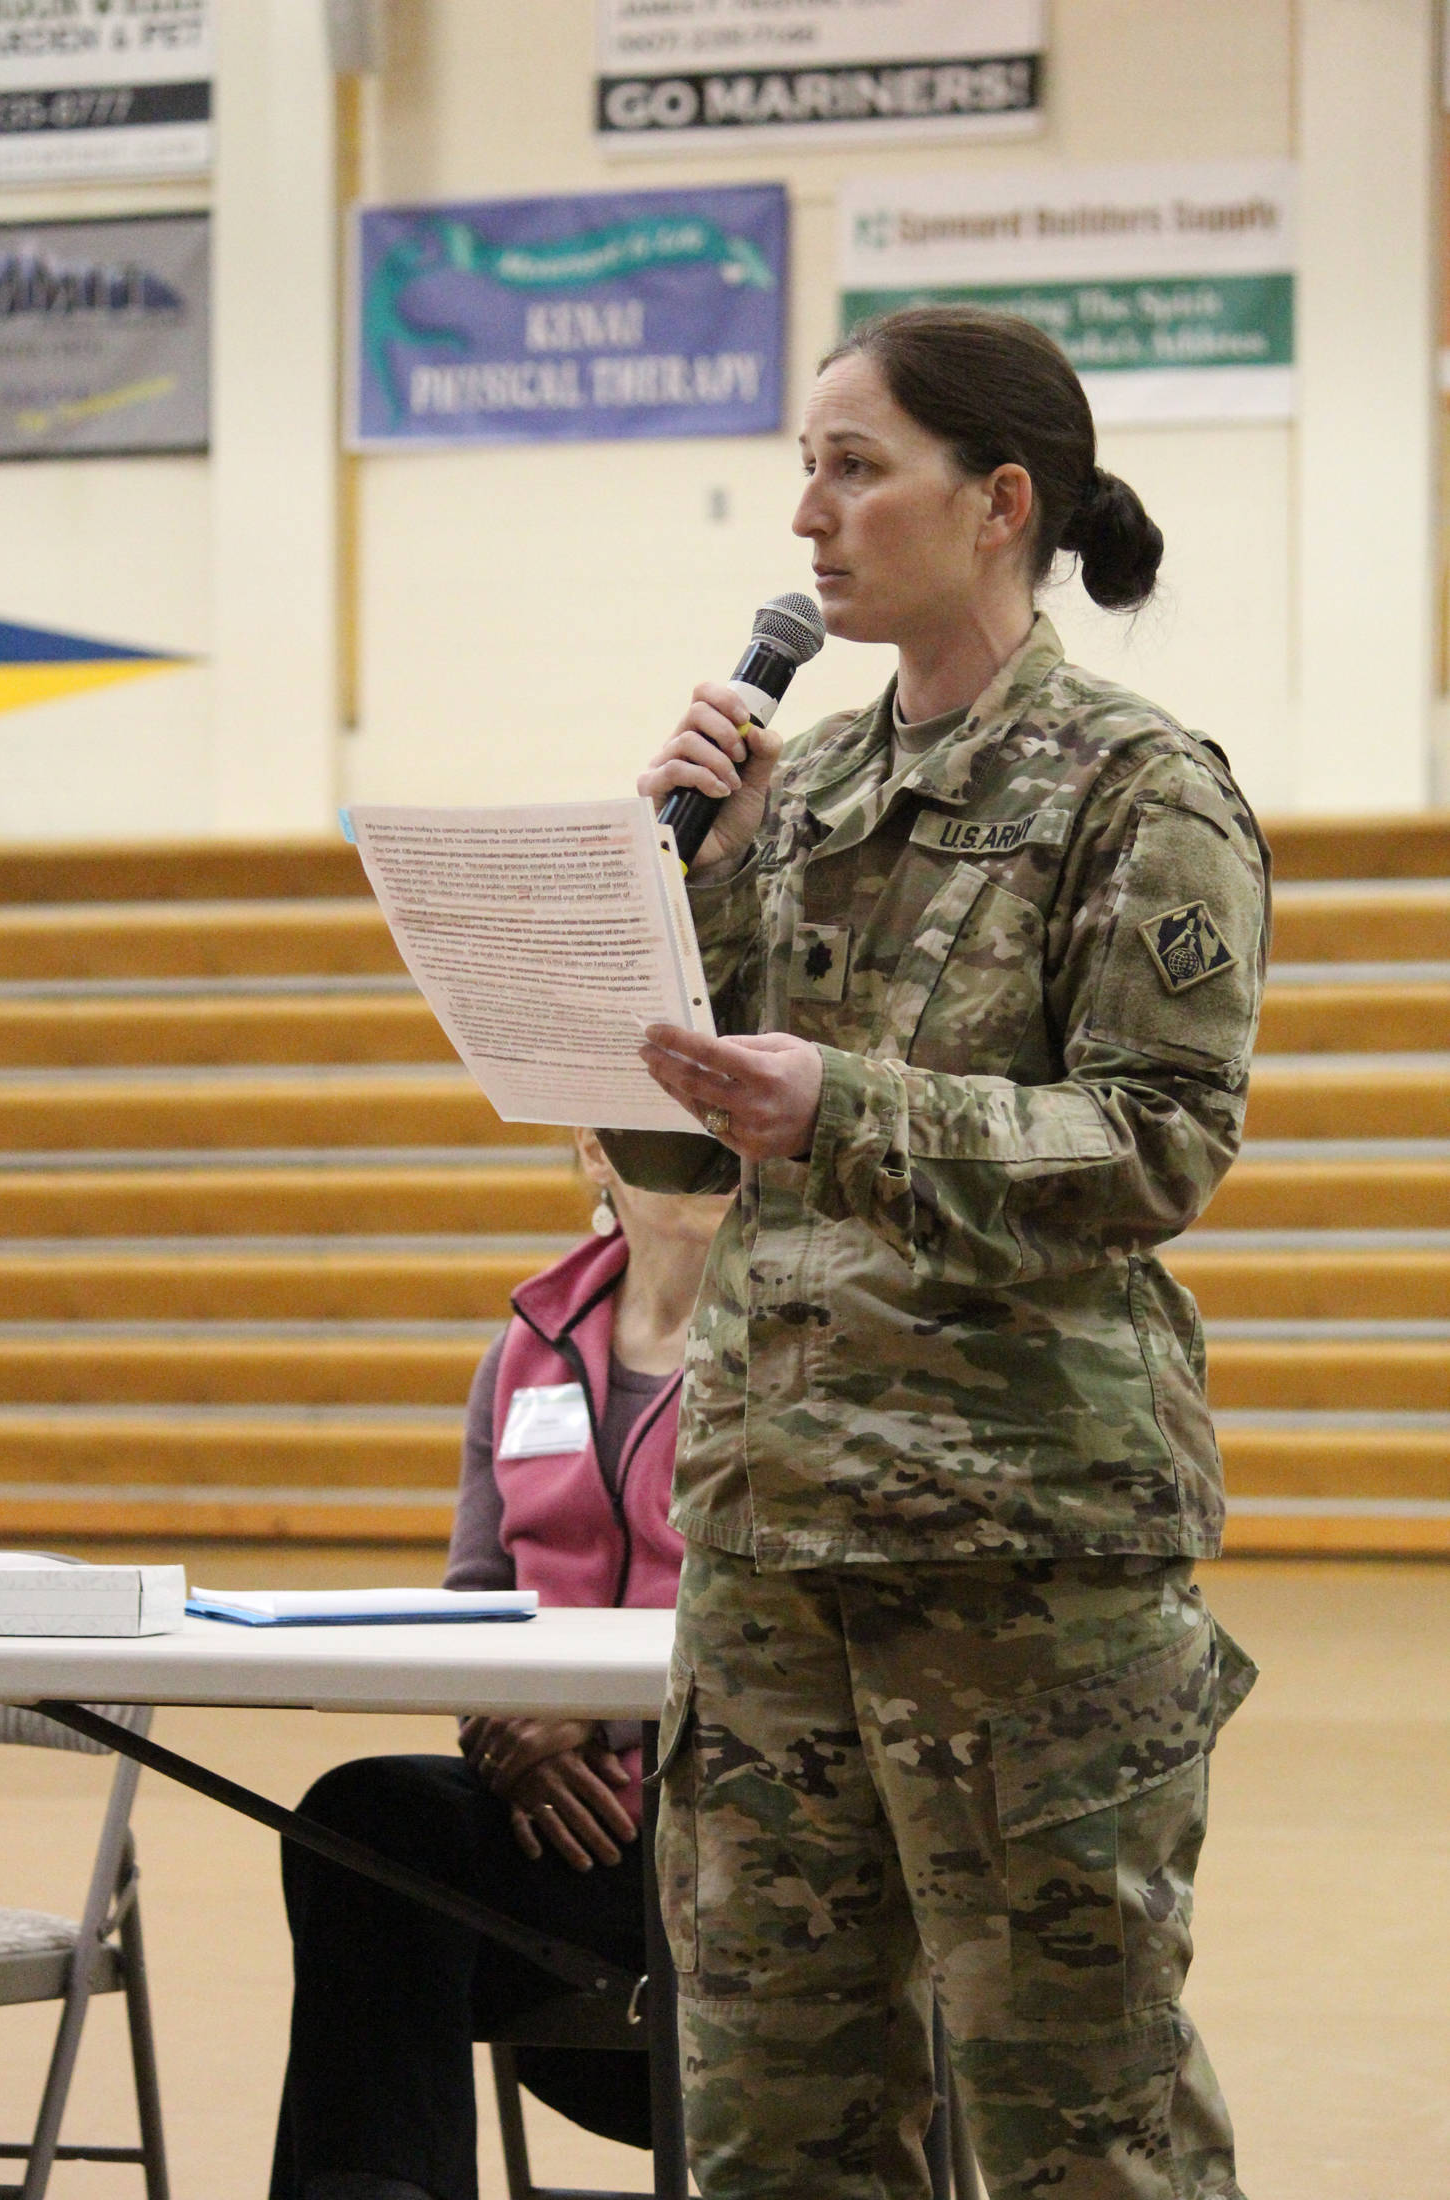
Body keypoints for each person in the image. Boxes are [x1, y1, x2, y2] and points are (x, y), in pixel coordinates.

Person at [603, 306, 1269, 2200]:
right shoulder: (789, 794)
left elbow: (1157, 1145)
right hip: (769, 1547)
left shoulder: (1138, 790)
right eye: (804, 464)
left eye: (852, 466)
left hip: (1022, 1565)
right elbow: (676, 1141)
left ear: (995, 505)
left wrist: (852, 1107)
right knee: (770, 2132)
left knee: (1080, 2126)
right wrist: (675, 891)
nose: (806, 515)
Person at [267, 1130, 730, 2200]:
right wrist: (503, 1726)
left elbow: (799, 1621)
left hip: (731, 1845)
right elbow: (472, 1604)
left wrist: (595, 1720)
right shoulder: (529, 1343)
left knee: (390, 1861)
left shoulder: (804, 1347)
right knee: (363, 1824)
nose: (701, 1156)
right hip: (561, 1837)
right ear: (593, 1151)